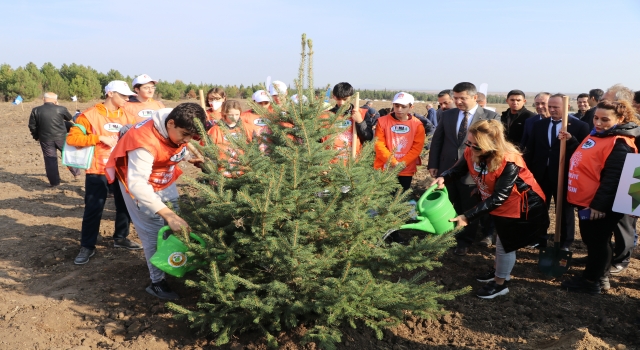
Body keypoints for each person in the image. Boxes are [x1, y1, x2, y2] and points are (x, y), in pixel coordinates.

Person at [431, 120, 549, 299]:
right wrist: (444, 178)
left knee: (505, 245)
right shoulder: (473, 150)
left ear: (491, 145)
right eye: (468, 143)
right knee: (501, 240)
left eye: (476, 145)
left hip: (520, 206)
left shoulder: (509, 160)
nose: (470, 148)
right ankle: (498, 270)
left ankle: (501, 282)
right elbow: (458, 169)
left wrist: (467, 216)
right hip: (499, 203)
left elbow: (499, 197)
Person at [106, 103, 207, 299]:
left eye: (191, 137)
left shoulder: (176, 125)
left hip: (163, 177)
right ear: (170, 123)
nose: (187, 140)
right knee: (153, 232)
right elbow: (137, 185)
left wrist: (188, 156)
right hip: (139, 185)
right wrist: (168, 215)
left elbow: (176, 146)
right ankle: (157, 281)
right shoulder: (143, 142)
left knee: (174, 225)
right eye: (185, 135)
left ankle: (172, 261)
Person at [561, 100, 639, 294]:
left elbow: (612, 180)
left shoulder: (619, 143)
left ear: (620, 119)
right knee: (593, 240)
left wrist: (598, 206)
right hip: (587, 199)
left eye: (605, 119)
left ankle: (591, 282)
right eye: (596, 117)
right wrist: (572, 141)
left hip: (599, 204)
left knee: (598, 242)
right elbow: (591, 158)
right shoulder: (600, 135)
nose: (598, 122)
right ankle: (598, 275)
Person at [66, 81, 141, 265]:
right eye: (122, 95)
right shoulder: (89, 116)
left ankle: (121, 238)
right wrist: (99, 138)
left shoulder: (128, 116)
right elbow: (73, 138)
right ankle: (87, 246)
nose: (126, 98)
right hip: (97, 169)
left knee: (125, 205)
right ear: (110, 94)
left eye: (128, 96)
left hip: (122, 169)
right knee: (93, 208)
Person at [428, 82, 500, 255]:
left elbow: (494, 147)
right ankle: (446, 236)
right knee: (447, 204)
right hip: (447, 169)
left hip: (474, 171)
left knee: (468, 207)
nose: (458, 101)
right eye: (456, 98)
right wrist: (433, 165)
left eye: (463, 98)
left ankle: (464, 241)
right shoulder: (447, 115)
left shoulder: (490, 117)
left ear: (475, 97)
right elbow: (438, 140)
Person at [523, 94, 589, 250]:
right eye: (549, 106)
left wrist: (571, 140)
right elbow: (531, 150)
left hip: (564, 175)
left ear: (566, 107)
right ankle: (539, 238)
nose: (551, 110)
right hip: (541, 174)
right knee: (539, 208)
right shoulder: (539, 125)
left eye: (555, 107)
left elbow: (584, 152)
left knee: (565, 210)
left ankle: (565, 242)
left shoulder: (579, 126)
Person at [374, 92, 425, 192]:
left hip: (405, 170)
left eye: (403, 106)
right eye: (396, 106)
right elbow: (379, 144)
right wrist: (392, 162)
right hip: (384, 168)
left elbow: (417, 148)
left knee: (400, 199)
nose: (399, 109)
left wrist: (401, 164)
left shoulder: (417, 125)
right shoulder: (382, 122)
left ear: (411, 107)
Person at [28, 92, 82, 187]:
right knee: (67, 155)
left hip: (45, 139)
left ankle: (54, 182)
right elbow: (69, 118)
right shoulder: (61, 109)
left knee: (50, 160)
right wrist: (58, 107)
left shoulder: (35, 110)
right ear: (55, 100)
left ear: (44, 99)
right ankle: (76, 174)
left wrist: (36, 136)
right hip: (61, 137)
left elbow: (32, 126)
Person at [208, 100, 259, 177]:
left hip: (243, 173)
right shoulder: (215, 130)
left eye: (237, 114)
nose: (234, 117)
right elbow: (209, 153)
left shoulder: (248, 128)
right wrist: (213, 174)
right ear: (224, 113)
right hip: (223, 174)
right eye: (231, 115)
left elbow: (255, 149)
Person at [327, 83, 372, 159]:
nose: (342, 103)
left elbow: (368, 138)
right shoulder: (327, 115)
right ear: (333, 96)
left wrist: (360, 122)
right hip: (332, 163)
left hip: (354, 163)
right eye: (338, 99)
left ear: (351, 97)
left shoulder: (362, 113)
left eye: (345, 99)